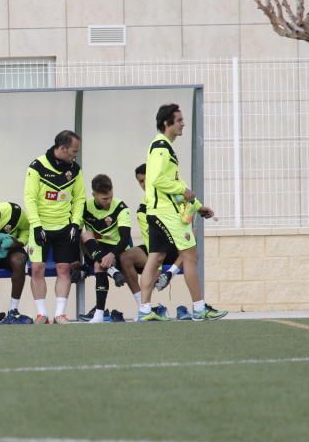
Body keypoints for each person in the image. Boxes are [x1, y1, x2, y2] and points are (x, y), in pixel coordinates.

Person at [137, 104, 226, 321]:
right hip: (167, 214)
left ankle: (144, 311)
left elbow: (172, 181)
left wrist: (197, 205)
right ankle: (199, 307)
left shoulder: (163, 146)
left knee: (156, 257)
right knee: (190, 256)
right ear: (167, 123)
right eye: (179, 120)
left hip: (158, 211)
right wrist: (183, 190)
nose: (183, 123)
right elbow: (157, 179)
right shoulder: (161, 147)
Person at [24, 130, 85, 324]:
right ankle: (42, 313)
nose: (75, 155)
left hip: (65, 227)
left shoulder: (75, 169)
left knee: (64, 269)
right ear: (62, 148)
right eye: (73, 151)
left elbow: (79, 199)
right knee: (37, 268)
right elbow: (30, 198)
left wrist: (75, 223)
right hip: (41, 226)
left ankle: (60, 314)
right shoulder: (37, 167)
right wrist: (36, 225)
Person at [80, 174, 148, 322]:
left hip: (119, 251)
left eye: (111, 196)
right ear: (94, 195)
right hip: (98, 251)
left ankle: (142, 309)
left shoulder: (121, 208)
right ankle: (99, 314)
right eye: (105, 199)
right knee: (85, 236)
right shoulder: (85, 207)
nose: (109, 201)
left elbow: (124, 240)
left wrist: (111, 255)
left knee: (100, 264)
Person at [134, 163, 183, 292]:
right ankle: (145, 307)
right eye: (141, 181)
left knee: (193, 236)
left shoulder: (171, 195)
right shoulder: (143, 209)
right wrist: (157, 265)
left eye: (146, 179)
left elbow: (186, 216)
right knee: (126, 257)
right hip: (158, 249)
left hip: (177, 245)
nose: (144, 184)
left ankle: (169, 274)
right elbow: (149, 236)